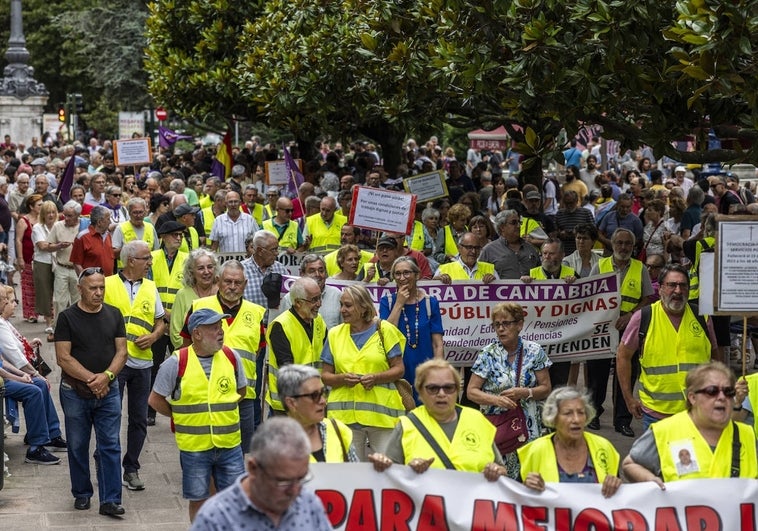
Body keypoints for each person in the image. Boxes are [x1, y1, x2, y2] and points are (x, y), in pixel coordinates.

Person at [149, 308, 247, 522]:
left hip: (229, 445)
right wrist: (180, 415)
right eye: (214, 328)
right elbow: (155, 400)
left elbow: (241, 392)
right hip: (194, 448)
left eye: (221, 327)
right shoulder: (176, 362)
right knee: (199, 500)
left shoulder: (231, 357)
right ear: (197, 334)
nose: (220, 332)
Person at [55, 267, 128, 516]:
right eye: (93, 288)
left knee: (110, 444)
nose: (98, 293)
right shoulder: (66, 318)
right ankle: (82, 492)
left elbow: (122, 351)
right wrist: (92, 380)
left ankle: (110, 499)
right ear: (79, 289)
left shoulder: (115, 314)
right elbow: (63, 358)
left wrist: (106, 377)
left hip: (109, 391)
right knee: (77, 444)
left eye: (102, 288)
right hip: (75, 392)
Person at [617, 264, 718, 429]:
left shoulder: (702, 317)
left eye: (683, 285)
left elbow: (714, 356)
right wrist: (628, 398)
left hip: (697, 413)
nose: (678, 291)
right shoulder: (643, 317)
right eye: (672, 285)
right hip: (656, 416)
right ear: (661, 288)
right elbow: (623, 356)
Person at [368, 359, 507, 479]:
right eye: (433, 388)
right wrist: (407, 471)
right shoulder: (407, 425)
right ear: (420, 392)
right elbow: (389, 476)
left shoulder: (477, 419)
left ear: (457, 390)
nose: (441, 394)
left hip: (472, 509)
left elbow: (501, 469)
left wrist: (496, 472)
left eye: (448, 388)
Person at [622, 362, 757, 485]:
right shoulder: (666, 431)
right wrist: (651, 481)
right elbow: (630, 464)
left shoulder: (747, 435)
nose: (722, 397)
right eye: (712, 391)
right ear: (692, 398)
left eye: (728, 392)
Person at [190, 417, 332, 530]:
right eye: (283, 481)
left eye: (301, 478)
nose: (295, 491)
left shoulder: (309, 503)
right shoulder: (214, 518)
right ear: (253, 468)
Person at [102, 240, 165, 490]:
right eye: (146, 258)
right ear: (130, 261)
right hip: (114, 364)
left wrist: (154, 335)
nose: (150, 263)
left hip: (143, 363)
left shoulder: (150, 287)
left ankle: (131, 468)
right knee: (110, 416)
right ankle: (106, 463)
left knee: (139, 418)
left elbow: (161, 321)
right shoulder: (107, 284)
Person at [184, 260, 266, 453]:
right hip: (205, 393)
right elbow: (185, 346)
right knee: (205, 450)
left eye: (237, 283)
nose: (232, 287)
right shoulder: (199, 306)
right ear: (218, 281)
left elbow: (258, 351)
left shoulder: (256, 313)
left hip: (243, 396)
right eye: (228, 281)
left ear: (245, 284)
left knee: (241, 452)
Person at [467, 301, 552, 479]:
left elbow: (546, 388)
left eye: (506, 323)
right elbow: (471, 391)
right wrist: (496, 400)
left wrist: (525, 393)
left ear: (519, 324)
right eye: (497, 325)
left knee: (529, 477)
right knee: (498, 478)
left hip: (528, 426)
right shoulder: (488, 354)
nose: (501, 329)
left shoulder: (534, 351)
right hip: (497, 426)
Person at [321, 284, 406, 460]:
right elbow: (325, 376)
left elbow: (399, 369)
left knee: (388, 469)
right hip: (345, 418)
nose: (342, 310)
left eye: (348, 305)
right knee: (350, 473)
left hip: (382, 418)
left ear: (363, 307)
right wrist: (342, 379)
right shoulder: (335, 334)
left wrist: (376, 378)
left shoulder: (385, 330)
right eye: (341, 305)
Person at [586, 228, 653, 436]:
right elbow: (588, 295)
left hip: (630, 329)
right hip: (603, 330)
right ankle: (593, 414)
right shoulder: (601, 265)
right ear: (612, 244)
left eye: (628, 244)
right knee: (597, 374)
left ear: (633, 247)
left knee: (626, 375)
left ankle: (622, 420)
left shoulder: (640, 268)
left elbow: (648, 298)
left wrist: (631, 315)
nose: (623, 247)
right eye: (619, 243)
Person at [0, 288, 66, 465]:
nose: (10, 304)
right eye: (5, 300)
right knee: (34, 390)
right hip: (3, 380)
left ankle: (49, 434)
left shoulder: (3, 322)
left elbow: (2, 361)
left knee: (40, 384)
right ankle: (36, 447)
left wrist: (23, 374)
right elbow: (9, 360)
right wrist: (21, 377)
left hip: (6, 376)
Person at [518, 387, 621, 498]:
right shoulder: (536, 450)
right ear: (554, 418)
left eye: (581, 413)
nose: (576, 419)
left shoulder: (603, 447)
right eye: (568, 413)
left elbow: (619, 498)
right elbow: (515, 499)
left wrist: (616, 485)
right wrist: (525, 487)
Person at [380, 256, 444, 403]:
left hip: (425, 371)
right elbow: (385, 334)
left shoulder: (430, 302)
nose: (402, 278)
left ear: (417, 275)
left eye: (407, 273)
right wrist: (399, 303)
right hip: (398, 371)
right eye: (397, 274)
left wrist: (439, 371)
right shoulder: (387, 302)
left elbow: (437, 344)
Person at [146, 220, 189, 425]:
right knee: (153, 365)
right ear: (163, 237)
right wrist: (161, 315)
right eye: (175, 235)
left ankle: (183, 405)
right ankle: (151, 410)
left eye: (181, 235)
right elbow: (147, 287)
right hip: (157, 320)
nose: (179, 238)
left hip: (180, 322)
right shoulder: (152, 258)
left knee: (183, 365)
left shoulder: (187, 259)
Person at [266, 277, 327, 413]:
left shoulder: (318, 321)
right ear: (298, 303)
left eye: (320, 298)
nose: (319, 304)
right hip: (288, 406)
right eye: (314, 300)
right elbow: (288, 369)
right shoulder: (281, 326)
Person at [278, 364, 359, 462]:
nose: (323, 401)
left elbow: (355, 474)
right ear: (291, 403)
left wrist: (376, 469)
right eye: (314, 395)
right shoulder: (274, 444)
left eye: (323, 392)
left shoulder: (338, 430)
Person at [41, 200, 80, 333]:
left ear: (77, 216)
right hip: (62, 267)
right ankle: (58, 328)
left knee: (77, 299)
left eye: (70, 216)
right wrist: (58, 246)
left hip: (77, 269)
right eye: (65, 215)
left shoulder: (83, 226)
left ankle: (76, 328)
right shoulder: (58, 226)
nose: (66, 218)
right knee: (59, 301)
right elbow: (47, 246)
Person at [170, 248, 218, 348]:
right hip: (188, 355)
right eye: (201, 268)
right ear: (191, 272)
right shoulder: (182, 295)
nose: (206, 272)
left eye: (210, 267)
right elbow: (175, 333)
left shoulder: (221, 293)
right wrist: (195, 353)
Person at [279, 254, 342, 329]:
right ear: (302, 274)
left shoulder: (337, 295)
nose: (317, 274)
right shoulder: (290, 298)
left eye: (321, 271)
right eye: (312, 271)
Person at [479, 209, 541, 279]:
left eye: (519, 222)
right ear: (502, 227)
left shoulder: (530, 248)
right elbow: (479, 276)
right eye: (514, 223)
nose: (518, 226)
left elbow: (541, 275)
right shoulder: (489, 250)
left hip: (530, 290)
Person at [31, 200, 58, 335]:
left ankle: (57, 320)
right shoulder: (37, 227)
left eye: (53, 212)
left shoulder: (59, 226)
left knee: (59, 292)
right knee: (45, 292)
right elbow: (42, 246)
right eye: (48, 213)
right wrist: (58, 245)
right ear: (43, 214)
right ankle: (48, 321)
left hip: (57, 261)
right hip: (42, 261)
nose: (51, 215)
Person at [15, 193, 42, 322]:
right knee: (28, 286)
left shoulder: (42, 219)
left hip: (41, 258)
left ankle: (45, 311)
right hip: (27, 258)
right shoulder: (23, 221)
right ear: (32, 207)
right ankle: (31, 313)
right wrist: (20, 258)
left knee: (41, 285)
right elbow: (18, 240)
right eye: (39, 205)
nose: (42, 207)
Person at [70, 205, 115, 276]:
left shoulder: (108, 235)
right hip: (92, 284)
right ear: (99, 222)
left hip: (109, 282)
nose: (110, 222)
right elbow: (77, 263)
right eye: (108, 219)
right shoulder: (82, 237)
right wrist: (85, 280)